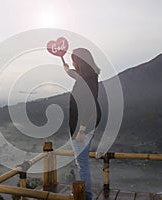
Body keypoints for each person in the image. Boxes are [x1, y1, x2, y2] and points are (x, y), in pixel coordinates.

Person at [64, 48, 101, 200]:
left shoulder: (89, 79)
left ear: (80, 61)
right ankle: (85, 194)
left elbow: (89, 105)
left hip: (82, 127)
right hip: (81, 126)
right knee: (82, 162)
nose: (73, 63)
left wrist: (82, 129)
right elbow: (76, 75)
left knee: (82, 163)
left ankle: (86, 196)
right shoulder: (87, 76)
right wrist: (67, 70)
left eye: (74, 60)